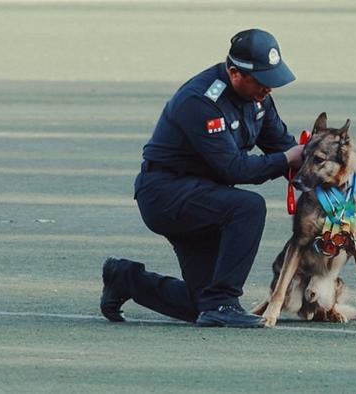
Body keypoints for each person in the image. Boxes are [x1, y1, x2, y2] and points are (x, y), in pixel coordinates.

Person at [101, 29, 305, 328]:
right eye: (262, 81)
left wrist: (322, 164)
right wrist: (289, 159)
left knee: (200, 303)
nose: (269, 89)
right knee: (247, 207)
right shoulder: (201, 100)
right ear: (235, 73)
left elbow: (284, 146)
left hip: (206, 197)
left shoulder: (259, 99)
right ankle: (224, 301)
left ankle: (126, 279)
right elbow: (234, 169)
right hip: (166, 194)